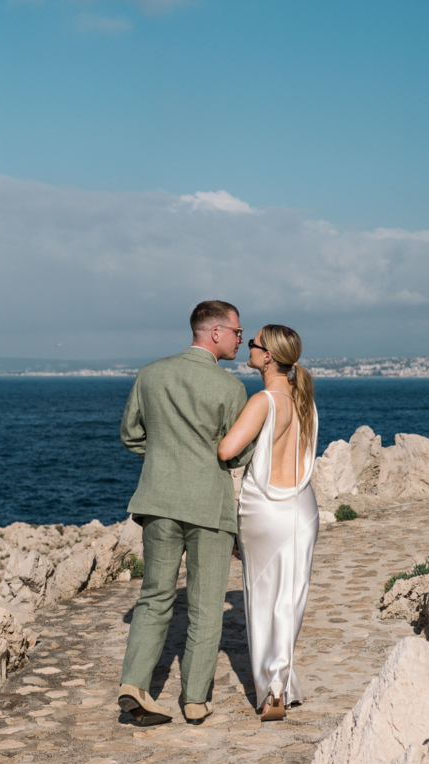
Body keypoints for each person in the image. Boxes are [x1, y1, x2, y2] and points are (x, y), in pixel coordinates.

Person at [117, 300, 255, 726]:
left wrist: (163, 457)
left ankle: (134, 682)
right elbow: (239, 455)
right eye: (236, 330)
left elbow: (131, 435)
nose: (239, 338)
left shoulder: (150, 374)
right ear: (214, 332)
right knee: (207, 604)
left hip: (158, 500)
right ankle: (195, 699)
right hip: (208, 507)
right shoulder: (230, 389)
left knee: (155, 596)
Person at [217, 324, 319, 722]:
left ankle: (272, 690)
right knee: (291, 599)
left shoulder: (264, 400)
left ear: (269, 356)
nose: (249, 347)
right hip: (303, 508)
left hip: (266, 510)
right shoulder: (304, 398)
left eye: (254, 343)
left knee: (261, 599)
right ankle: (284, 684)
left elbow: (227, 448)